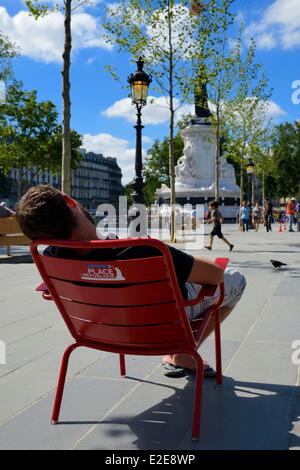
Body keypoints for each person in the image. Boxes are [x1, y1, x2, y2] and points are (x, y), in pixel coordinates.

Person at [16, 185, 246, 376]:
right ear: (70, 203)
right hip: (162, 327)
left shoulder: (51, 259)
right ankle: (185, 353)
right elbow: (214, 276)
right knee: (236, 279)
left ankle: (183, 353)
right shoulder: (142, 250)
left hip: (103, 330)